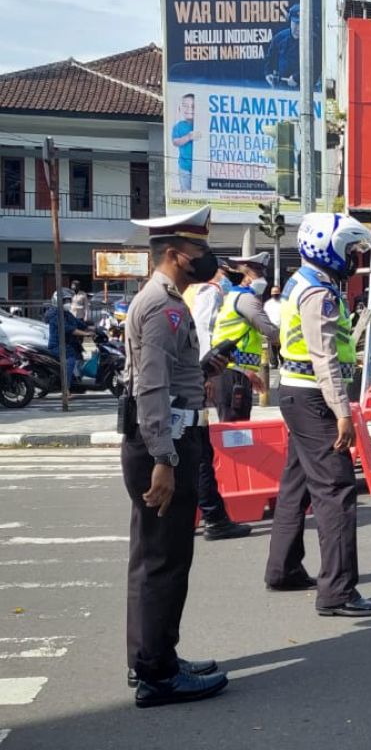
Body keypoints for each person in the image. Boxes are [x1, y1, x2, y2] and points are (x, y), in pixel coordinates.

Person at [122, 205, 229, 707]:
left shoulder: (162, 302)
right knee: (165, 561)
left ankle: (150, 657)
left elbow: (168, 374)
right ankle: (159, 675)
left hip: (156, 438)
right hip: (162, 443)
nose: (206, 259)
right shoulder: (163, 306)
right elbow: (152, 387)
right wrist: (164, 457)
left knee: (150, 557)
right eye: (199, 251)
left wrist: (205, 366)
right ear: (174, 254)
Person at [265, 212, 371, 617]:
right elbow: (324, 358)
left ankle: (283, 568)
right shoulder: (320, 293)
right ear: (330, 249)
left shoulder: (302, 281)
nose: (354, 258)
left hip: (296, 396)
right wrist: (342, 413)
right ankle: (337, 591)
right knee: (336, 491)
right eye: (350, 250)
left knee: (296, 483)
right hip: (315, 398)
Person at [182, 263, 251, 542]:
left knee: (193, 451)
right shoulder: (209, 292)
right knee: (199, 453)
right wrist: (206, 371)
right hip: (193, 377)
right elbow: (203, 331)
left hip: (184, 378)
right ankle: (213, 517)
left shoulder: (188, 291)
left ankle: (202, 514)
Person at [211, 252, 279, 422]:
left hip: (234, 371)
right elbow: (270, 332)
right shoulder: (246, 299)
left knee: (235, 426)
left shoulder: (234, 296)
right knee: (235, 431)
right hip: (232, 374)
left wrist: (248, 372)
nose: (263, 278)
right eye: (258, 272)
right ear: (246, 276)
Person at [45, 289, 92, 391]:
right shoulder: (55, 314)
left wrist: (93, 328)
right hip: (57, 345)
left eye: (68, 301)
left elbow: (78, 323)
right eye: (64, 301)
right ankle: (66, 388)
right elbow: (68, 329)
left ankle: (76, 378)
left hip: (67, 343)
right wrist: (86, 334)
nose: (67, 303)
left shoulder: (66, 313)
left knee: (82, 353)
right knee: (71, 359)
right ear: (57, 301)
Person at [264, 4, 302, 89]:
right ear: (290, 21)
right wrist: (268, 73)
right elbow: (270, 58)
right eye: (296, 23)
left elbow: (316, 66)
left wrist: (297, 78)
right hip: (282, 88)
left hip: (305, 89)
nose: (298, 28)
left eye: (301, 24)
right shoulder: (279, 38)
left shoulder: (313, 40)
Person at [171, 94, 199, 191]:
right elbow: (175, 142)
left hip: (201, 167)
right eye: (185, 105)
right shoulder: (178, 126)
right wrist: (188, 137)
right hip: (184, 167)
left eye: (193, 106)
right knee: (186, 193)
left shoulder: (201, 124)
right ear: (180, 108)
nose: (189, 109)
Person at [263, 285, 283, 367]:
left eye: (277, 292)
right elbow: (265, 316)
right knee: (272, 348)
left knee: (282, 347)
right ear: (271, 294)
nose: (275, 294)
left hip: (282, 328)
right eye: (273, 292)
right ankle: (274, 363)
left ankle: (283, 362)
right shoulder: (268, 304)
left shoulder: (284, 303)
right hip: (271, 328)